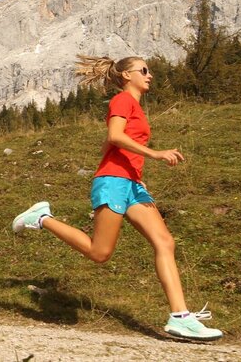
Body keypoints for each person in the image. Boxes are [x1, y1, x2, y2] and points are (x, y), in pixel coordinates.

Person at [12, 55, 223, 341]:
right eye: (144, 70)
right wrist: (154, 155)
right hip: (114, 183)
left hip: (128, 183)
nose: (150, 75)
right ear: (126, 75)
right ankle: (42, 218)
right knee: (99, 253)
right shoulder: (123, 100)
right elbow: (114, 136)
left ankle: (180, 317)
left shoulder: (133, 105)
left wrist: (133, 170)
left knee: (164, 241)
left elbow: (108, 144)